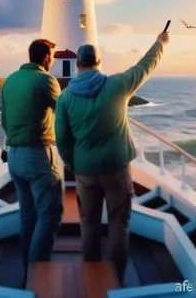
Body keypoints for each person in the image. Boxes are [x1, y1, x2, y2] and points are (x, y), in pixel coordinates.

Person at [55, 30, 169, 283]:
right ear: (98, 62)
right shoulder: (117, 85)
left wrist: (73, 163)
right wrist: (159, 43)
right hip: (117, 168)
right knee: (119, 223)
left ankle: (92, 270)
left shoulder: (65, 98)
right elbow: (144, 67)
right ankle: (117, 274)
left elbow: (61, 138)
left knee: (89, 222)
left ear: (77, 64)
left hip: (84, 170)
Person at [0, 38, 63, 272]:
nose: (53, 60)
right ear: (46, 57)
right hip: (37, 156)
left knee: (27, 217)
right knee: (49, 215)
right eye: (52, 56)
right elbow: (64, 114)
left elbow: (4, 119)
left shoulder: (10, 80)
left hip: (14, 157)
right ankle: (38, 275)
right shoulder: (46, 80)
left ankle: (27, 272)